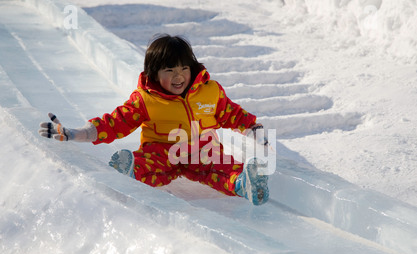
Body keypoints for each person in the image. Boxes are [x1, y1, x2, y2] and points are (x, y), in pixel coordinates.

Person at [39, 34, 269, 205]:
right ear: (155, 74)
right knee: (148, 162)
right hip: (162, 150)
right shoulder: (146, 99)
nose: (179, 76)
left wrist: (251, 127)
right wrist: (82, 133)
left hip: (203, 150)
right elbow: (117, 121)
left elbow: (231, 113)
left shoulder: (210, 91)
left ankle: (243, 184)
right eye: (169, 70)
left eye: (184, 68)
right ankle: (129, 172)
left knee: (221, 165)